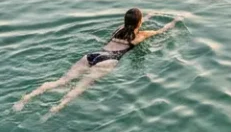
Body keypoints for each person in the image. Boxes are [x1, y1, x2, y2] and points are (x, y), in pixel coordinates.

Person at [13, 8, 181, 116]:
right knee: (79, 88)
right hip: (109, 61)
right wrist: (176, 20)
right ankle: (52, 111)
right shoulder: (141, 35)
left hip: (93, 55)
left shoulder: (118, 30)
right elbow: (162, 31)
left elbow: (130, 24)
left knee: (62, 81)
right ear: (140, 22)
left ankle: (26, 99)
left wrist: (148, 15)